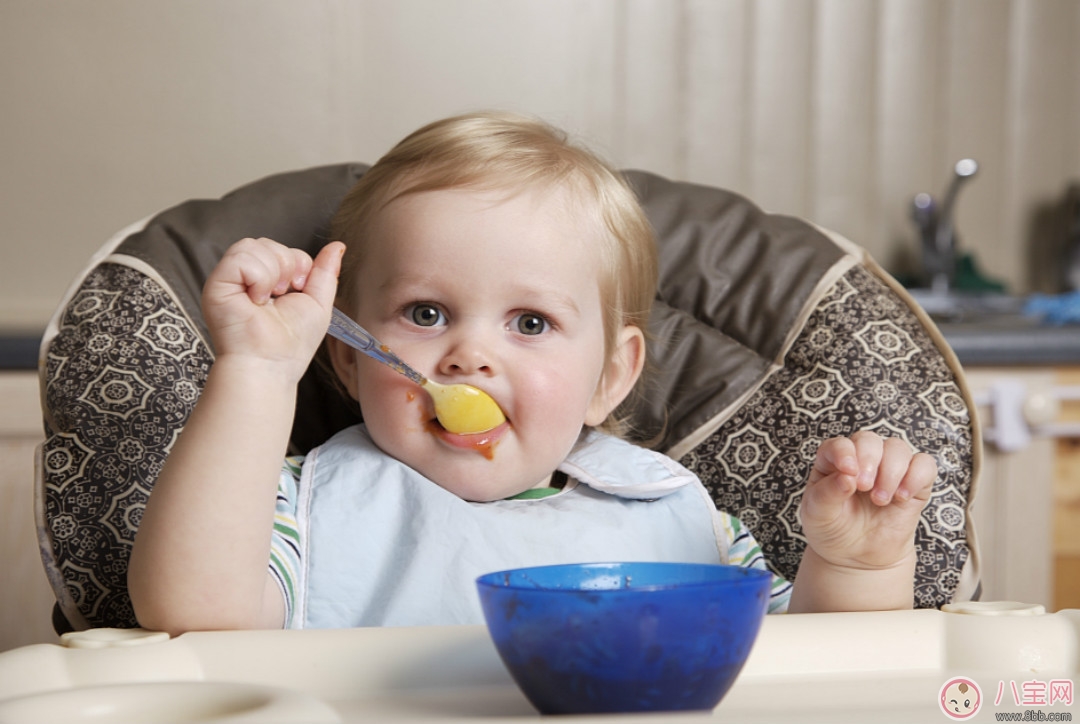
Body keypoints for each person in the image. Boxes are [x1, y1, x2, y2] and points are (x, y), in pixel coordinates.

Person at [128, 112, 937, 634]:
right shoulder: (300, 509)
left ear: (610, 377)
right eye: (425, 312)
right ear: (346, 355)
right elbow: (194, 614)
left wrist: (857, 567)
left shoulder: (679, 522)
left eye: (530, 323)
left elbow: (814, 673)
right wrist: (260, 369)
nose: (470, 356)